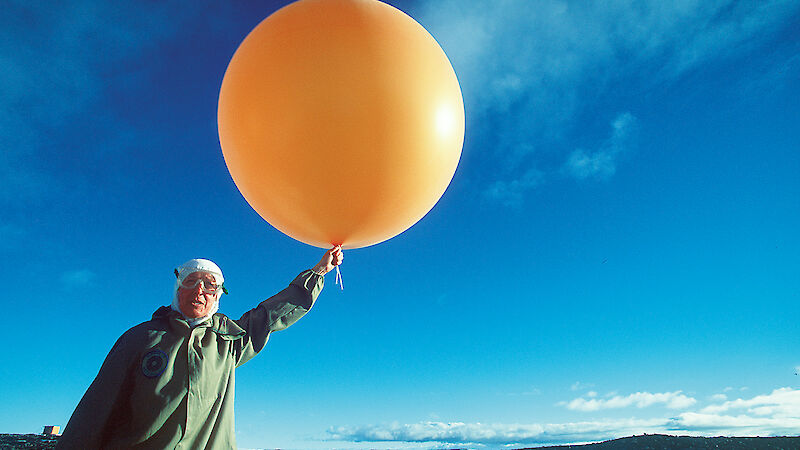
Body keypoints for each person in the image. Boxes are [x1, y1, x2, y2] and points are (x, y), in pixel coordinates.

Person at [56, 247, 343, 449]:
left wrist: (318, 271)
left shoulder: (229, 340)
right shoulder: (139, 338)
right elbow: (95, 409)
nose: (199, 290)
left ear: (219, 295)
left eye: (209, 285)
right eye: (190, 281)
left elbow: (272, 313)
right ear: (177, 289)